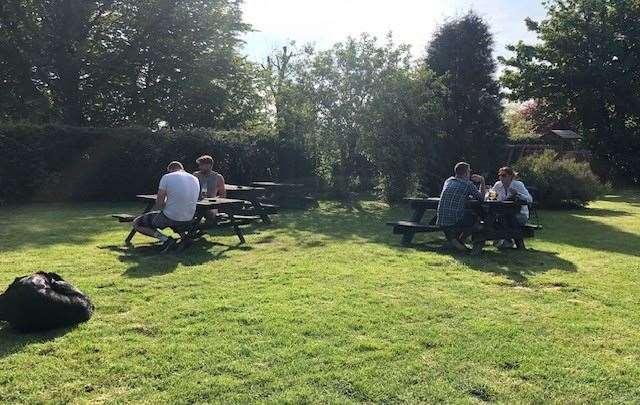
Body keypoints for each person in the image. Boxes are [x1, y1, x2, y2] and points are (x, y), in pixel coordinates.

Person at [133, 161, 200, 252]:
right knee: (174, 216)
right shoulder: (195, 178)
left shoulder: (167, 177)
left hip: (171, 217)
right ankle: (185, 238)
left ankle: (166, 240)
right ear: (182, 168)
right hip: (189, 218)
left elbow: (159, 204)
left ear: (170, 169)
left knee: (137, 223)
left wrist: (165, 205)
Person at [436, 162, 486, 253]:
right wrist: (482, 180)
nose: (470, 173)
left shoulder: (448, 181)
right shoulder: (468, 184)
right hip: (454, 220)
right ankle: (462, 242)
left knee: (467, 215)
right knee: (477, 219)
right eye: (469, 171)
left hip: (441, 219)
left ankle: (458, 243)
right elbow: (481, 198)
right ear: (466, 172)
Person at [489, 166, 533, 249]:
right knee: (496, 218)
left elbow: (529, 199)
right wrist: (490, 195)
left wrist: (517, 194)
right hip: (503, 214)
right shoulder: (498, 185)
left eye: (503, 175)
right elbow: (489, 195)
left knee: (502, 218)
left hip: (520, 215)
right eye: (500, 175)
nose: (501, 177)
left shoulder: (518, 185)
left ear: (510, 176)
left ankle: (507, 239)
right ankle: (507, 240)